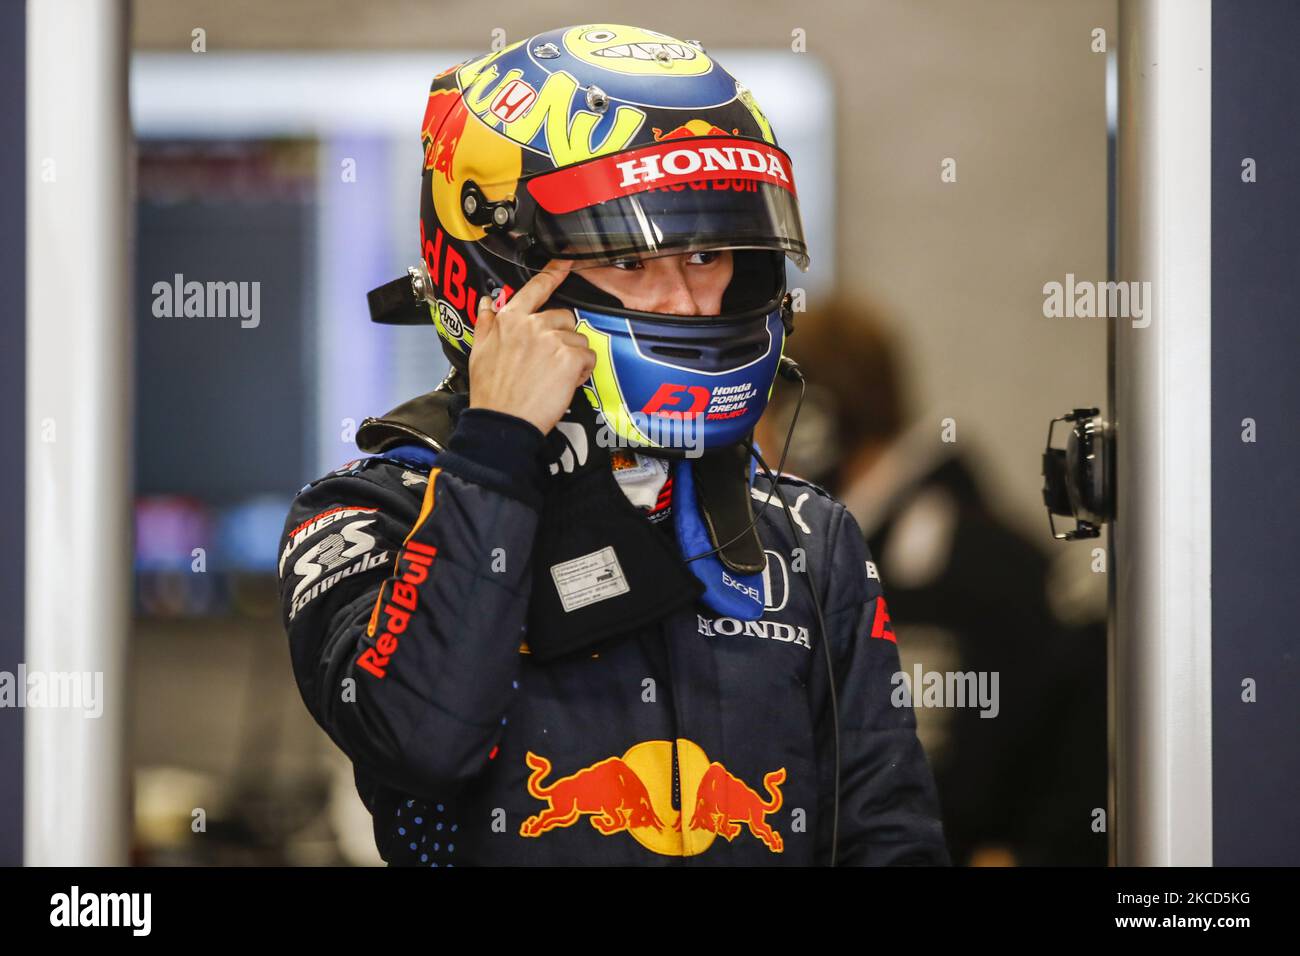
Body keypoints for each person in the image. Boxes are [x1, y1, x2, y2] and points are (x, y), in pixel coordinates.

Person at [277, 23, 949, 865]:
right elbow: (420, 739)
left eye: (707, 253)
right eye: (630, 259)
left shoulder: (806, 539)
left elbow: (890, 839)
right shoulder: (370, 511)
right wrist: (494, 453)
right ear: (502, 275)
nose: (688, 302)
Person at [757, 298, 1108, 866]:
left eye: (765, 414)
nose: (755, 444)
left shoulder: (955, 569)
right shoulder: (904, 544)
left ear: (814, 423)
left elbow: (1060, 750)